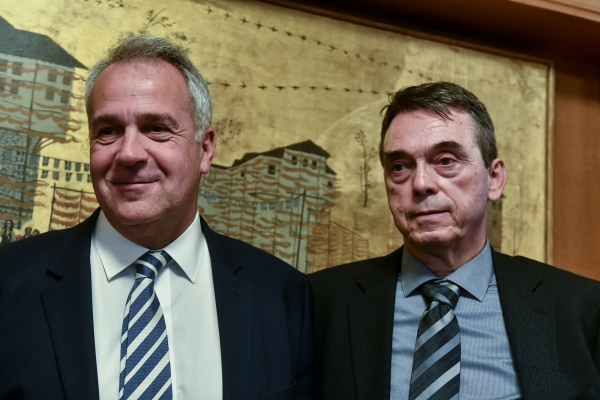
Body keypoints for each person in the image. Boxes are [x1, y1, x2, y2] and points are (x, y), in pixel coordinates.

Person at [0, 35, 316, 400]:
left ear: (205, 149)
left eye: (157, 128)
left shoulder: (282, 296)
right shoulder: (9, 281)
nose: (129, 153)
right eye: (108, 131)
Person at [309, 82, 600, 400]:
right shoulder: (321, 302)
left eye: (445, 161)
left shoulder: (581, 307)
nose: (420, 184)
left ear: (494, 179)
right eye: (400, 167)